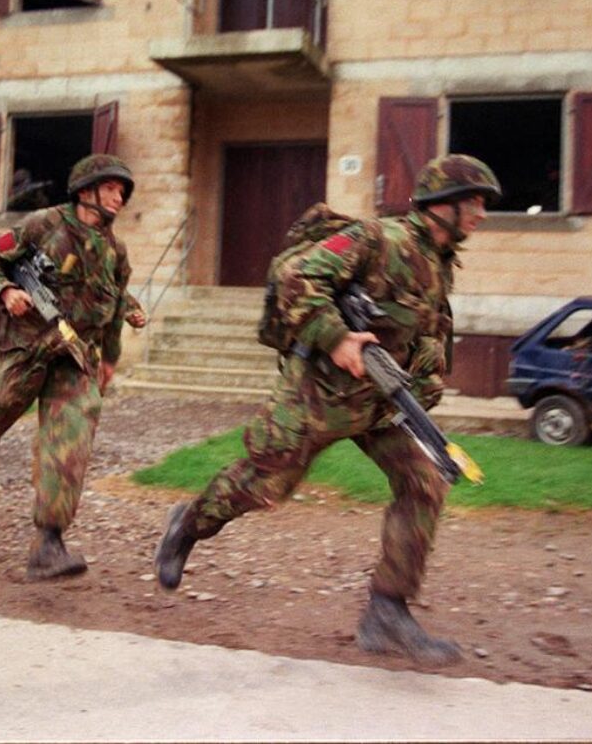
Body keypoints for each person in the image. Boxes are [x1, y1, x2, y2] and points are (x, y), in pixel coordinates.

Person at [154, 154, 502, 667]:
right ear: (440, 205)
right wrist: (337, 339)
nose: (482, 213)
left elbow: (420, 336)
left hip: (381, 404)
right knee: (263, 487)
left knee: (426, 481)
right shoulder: (378, 239)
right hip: (316, 396)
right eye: (473, 201)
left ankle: (387, 610)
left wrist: (421, 386)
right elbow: (297, 277)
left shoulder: (438, 262)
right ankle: (187, 524)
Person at [0, 154, 136, 582]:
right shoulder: (43, 225)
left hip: (73, 357)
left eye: (122, 190)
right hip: (21, 350)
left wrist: (110, 359)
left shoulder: (115, 250)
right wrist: (3, 292)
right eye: (111, 187)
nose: (119, 196)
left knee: (71, 437)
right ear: (85, 192)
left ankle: (48, 544)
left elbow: (112, 307)